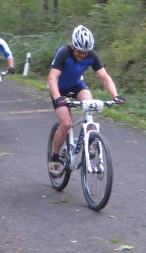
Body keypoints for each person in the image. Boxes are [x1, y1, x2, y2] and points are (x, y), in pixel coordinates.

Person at [47, 25, 125, 176]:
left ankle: (88, 144)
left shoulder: (92, 56)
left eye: (86, 52)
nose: (82, 55)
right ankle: (55, 157)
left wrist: (115, 96)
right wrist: (57, 97)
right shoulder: (64, 53)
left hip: (77, 85)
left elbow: (105, 77)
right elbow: (52, 78)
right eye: (79, 51)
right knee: (66, 123)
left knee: (91, 108)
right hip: (58, 88)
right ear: (73, 46)